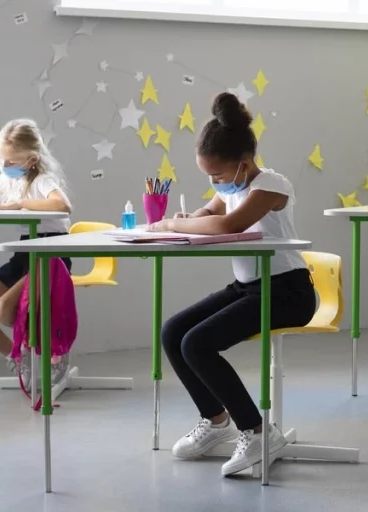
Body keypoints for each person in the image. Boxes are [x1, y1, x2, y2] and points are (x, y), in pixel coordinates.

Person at [149, 93, 316, 477]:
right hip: (248, 287)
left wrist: (173, 224)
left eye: (218, 176)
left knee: (198, 343)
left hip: (288, 291)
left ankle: (258, 432)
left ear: (243, 164)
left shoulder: (271, 185)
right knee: (174, 332)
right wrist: (188, 217)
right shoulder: (230, 188)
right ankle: (216, 420)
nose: (214, 183)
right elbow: (207, 214)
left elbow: (227, 226)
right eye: (208, 176)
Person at [0, 119, 73, 385]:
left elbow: (63, 206)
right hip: (24, 253)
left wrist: (19, 204)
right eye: (1, 160)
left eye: (11, 161)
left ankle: (56, 353)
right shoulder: (7, 179)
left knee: (5, 310)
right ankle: (21, 358)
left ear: (31, 160)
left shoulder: (43, 179)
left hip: (51, 254)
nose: (5, 167)